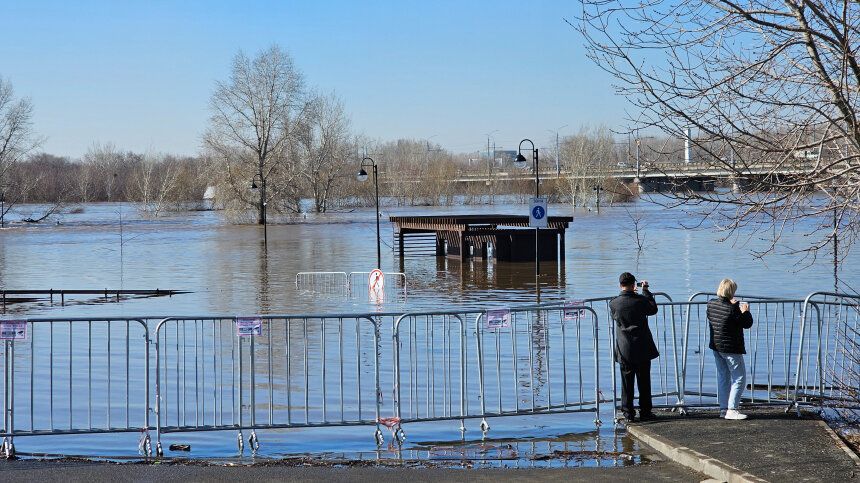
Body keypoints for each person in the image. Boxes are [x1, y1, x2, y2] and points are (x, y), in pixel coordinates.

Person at [609, 272, 659, 422]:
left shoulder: (614, 303)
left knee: (626, 383)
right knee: (644, 382)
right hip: (642, 347)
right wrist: (646, 291)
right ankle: (645, 412)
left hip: (625, 349)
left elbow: (615, 316)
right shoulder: (640, 300)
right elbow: (653, 309)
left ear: (620, 285)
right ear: (633, 285)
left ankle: (628, 413)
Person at [707, 278, 754, 420]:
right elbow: (746, 323)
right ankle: (732, 409)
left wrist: (733, 306)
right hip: (731, 348)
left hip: (716, 347)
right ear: (731, 292)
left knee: (723, 377)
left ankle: (723, 409)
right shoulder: (732, 309)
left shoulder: (711, 304)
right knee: (739, 378)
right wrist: (744, 311)